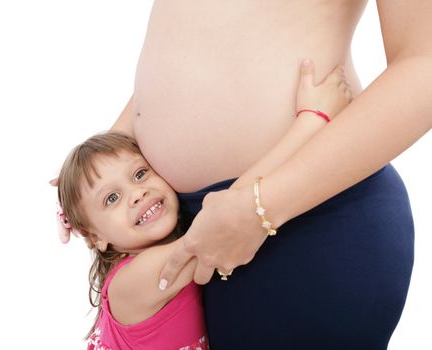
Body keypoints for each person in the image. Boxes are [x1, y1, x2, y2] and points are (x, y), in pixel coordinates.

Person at [63, 2, 432, 348]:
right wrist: (96, 167)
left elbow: (425, 64)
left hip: (304, 221)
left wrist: (260, 207)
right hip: (198, 218)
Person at [54, 63, 351, 349]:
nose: (137, 193)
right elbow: (229, 214)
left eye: (140, 174)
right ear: (95, 237)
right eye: (112, 198)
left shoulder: (153, 251)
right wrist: (311, 121)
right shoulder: (130, 283)